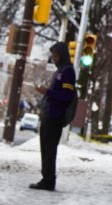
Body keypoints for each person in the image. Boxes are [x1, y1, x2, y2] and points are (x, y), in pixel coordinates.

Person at [31, 42, 77, 191]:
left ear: (62, 55)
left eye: (56, 56)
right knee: (45, 147)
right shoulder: (59, 71)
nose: (54, 58)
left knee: (50, 149)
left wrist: (47, 92)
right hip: (48, 113)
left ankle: (49, 180)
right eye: (53, 56)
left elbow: (67, 95)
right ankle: (46, 177)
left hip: (56, 116)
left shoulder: (68, 72)